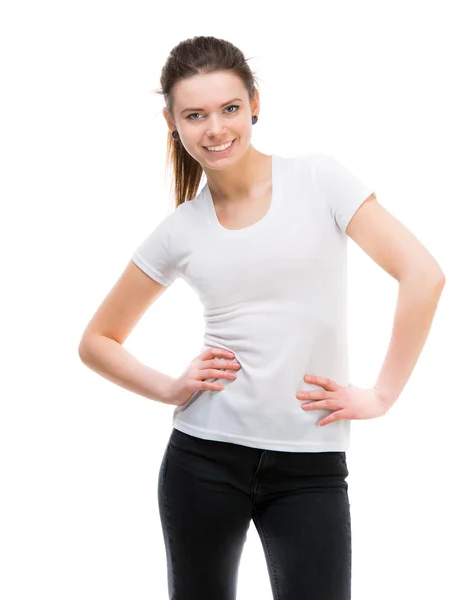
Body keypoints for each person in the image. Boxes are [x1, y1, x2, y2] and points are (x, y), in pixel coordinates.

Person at [78, 35, 446, 600]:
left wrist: (382, 395)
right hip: (202, 460)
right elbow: (98, 340)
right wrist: (171, 388)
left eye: (229, 108)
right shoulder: (181, 229)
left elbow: (423, 275)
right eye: (194, 115)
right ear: (171, 123)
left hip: (311, 468)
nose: (215, 129)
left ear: (254, 103)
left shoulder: (320, 180)